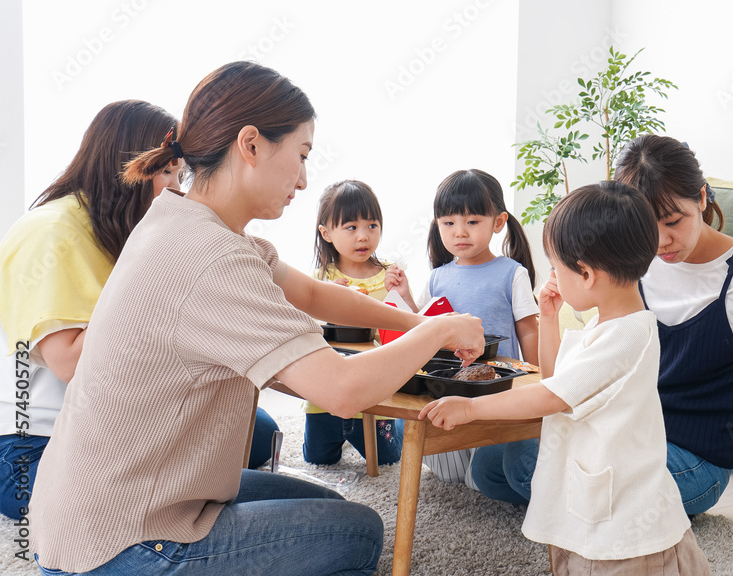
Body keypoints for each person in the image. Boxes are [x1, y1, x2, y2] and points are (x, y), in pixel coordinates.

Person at [30, 61, 483, 575]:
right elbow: (342, 392)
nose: (304, 179)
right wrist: (440, 330)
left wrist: (416, 324)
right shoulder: (213, 259)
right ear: (250, 144)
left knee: (329, 509)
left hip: (92, 509)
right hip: (121, 544)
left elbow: (311, 293)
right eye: (301, 155)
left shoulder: (180, 221)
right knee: (358, 533)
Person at [470, 135, 733, 516]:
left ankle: (607, 512)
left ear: (702, 198)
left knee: (526, 463)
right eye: (648, 227)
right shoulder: (635, 261)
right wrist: (549, 316)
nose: (662, 241)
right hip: (625, 433)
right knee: (490, 466)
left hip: (695, 460)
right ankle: (599, 506)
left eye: (673, 221)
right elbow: (579, 375)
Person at [419, 181, 709, 576]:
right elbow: (556, 378)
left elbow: (550, 396)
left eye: (556, 267)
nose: (553, 276)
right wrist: (549, 319)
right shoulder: (606, 325)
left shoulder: (624, 337)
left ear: (586, 273)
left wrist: (471, 408)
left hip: (621, 521)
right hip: (595, 497)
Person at [0, 100, 189, 520]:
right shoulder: (51, 232)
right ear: (126, 167)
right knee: (161, 505)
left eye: (179, 174)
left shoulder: (112, 226)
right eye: (166, 173)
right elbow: (70, 363)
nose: (178, 189)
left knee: (252, 430)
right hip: (29, 446)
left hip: (100, 424)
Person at [421, 168, 539, 488]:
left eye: (472, 222)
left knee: (480, 477)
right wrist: (402, 295)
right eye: (448, 223)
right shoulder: (437, 277)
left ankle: (480, 465)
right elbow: (420, 324)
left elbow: (529, 330)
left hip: (496, 393)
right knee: (423, 443)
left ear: (498, 222)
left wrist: (537, 380)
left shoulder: (512, 273)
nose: (459, 232)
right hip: (447, 386)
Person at [303, 179, 414, 467]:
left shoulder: (391, 276)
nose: (363, 236)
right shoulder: (319, 281)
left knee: (388, 457)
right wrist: (328, 301)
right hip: (325, 397)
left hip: (374, 397)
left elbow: (411, 332)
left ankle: (403, 423)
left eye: (372, 225)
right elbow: (304, 334)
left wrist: (403, 297)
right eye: (351, 227)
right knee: (317, 458)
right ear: (326, 233)